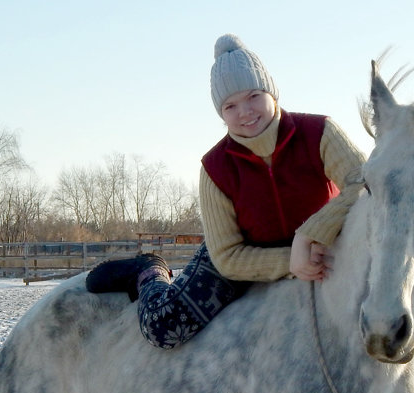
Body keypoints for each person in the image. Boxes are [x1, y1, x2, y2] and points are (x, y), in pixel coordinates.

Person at [86, 33, 366, 349]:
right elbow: (227, 256)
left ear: (272, 92)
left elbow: (365, 184)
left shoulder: (319, 132)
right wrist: (290, 261)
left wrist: (310, 234)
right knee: (163, 327)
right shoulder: (215, 167)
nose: (245, 112)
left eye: (254, 96)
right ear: (221, 113)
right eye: (230, 105)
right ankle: (147, 270)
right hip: (245, 252)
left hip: (319, 246)